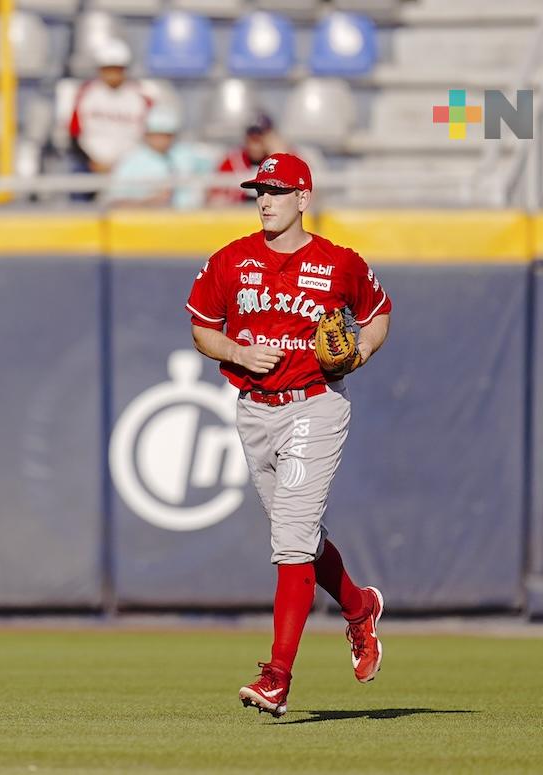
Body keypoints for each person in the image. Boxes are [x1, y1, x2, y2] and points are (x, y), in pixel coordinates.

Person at [185, 152, 392, 718]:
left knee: (291, 544)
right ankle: (358, 608)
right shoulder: (231, 260)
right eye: (260, 191)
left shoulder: (338, 262)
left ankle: (277, 677)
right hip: (254, 411)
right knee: (299, 538)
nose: (266, 200)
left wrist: (363, 349)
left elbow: (376, 313)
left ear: (304, 198)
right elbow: (203, 327)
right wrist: (236, 350)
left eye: (277, 191)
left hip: (315, 406)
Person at [68, 38, 149, 199]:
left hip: (130, 164)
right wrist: (93, 161)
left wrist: (125, 164)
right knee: (76, 179)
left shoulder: (140, 96)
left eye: (117, 69)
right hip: (91, 163)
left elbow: (146, 135)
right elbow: (74, 134)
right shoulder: (86, 93)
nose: (112, 75)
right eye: (108, 69)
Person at [106, 104, 210, 209]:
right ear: (147, 134)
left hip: (191, 218)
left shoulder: (185, 154)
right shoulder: (130, 161)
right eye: (157, 134)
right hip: (149, 221)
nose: (162, 140)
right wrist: (148, 202)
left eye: (167, 135)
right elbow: (114, 202)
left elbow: (212, 180)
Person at [208, 112, 289, 205]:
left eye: (258, 139)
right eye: (251, 138)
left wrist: (280, 157)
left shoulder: (283, 157)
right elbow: (213, 195)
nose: (254, 145)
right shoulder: (233, 161)